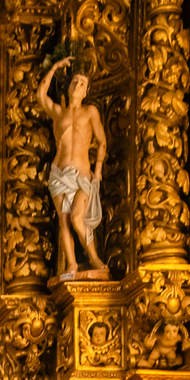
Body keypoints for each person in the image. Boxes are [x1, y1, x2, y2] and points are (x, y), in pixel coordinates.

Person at [37, 55, 107, 276]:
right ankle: (72, 265)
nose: (77, 85)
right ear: (68, 87)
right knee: (65, 220)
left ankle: (94, 258)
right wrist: (55, 67)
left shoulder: (90, 111)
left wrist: (98, 170)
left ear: (86, 92)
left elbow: (102, 141)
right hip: (59, 173)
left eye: (82, 83)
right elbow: (41, 95)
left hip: (82, 173)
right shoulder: (58, 112)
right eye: (75, 82)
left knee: (77, 218)